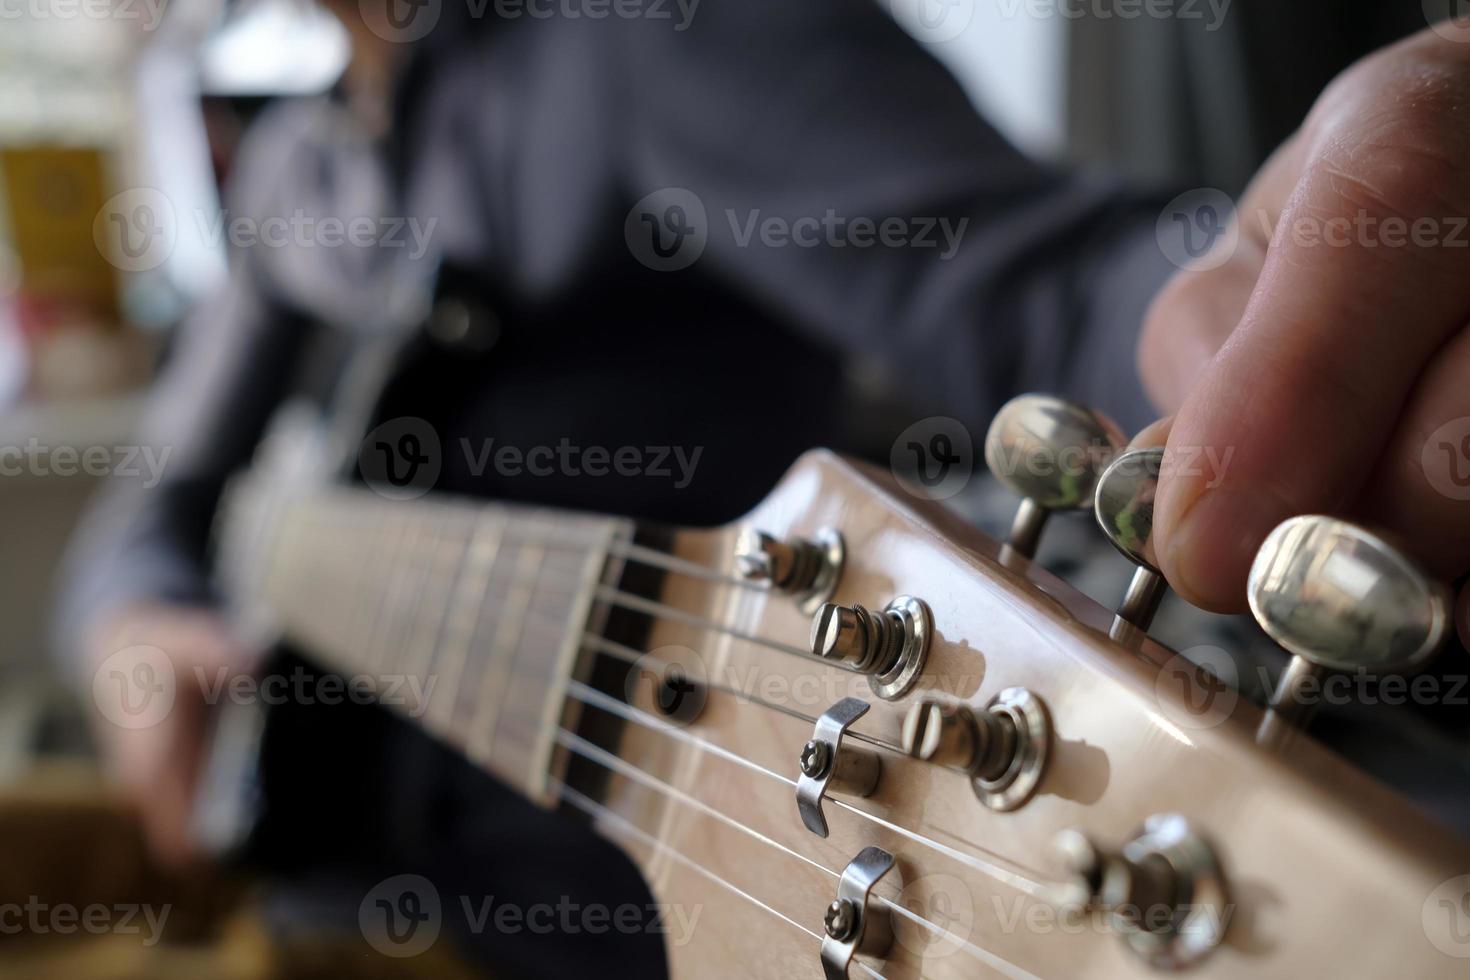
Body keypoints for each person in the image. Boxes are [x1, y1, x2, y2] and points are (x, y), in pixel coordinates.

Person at [52, 0, 1470, 973]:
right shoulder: (298, 160)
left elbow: (1039, 284)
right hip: (386, 893)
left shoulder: (660, 35)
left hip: (745, 879)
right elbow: (156, 505)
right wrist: (135, 624)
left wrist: (1293, 314)